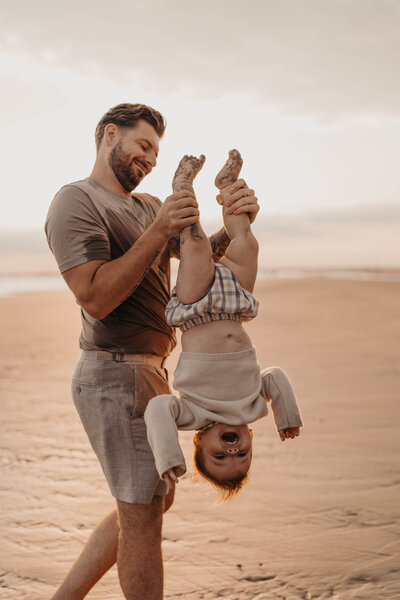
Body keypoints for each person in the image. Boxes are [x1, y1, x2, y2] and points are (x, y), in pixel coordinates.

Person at [44, 103, 260, 600]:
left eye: (157, 152)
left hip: (154, 371)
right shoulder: (76, 201)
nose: (151, 160)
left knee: (148, 504)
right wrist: (160, 230)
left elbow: (204, 260)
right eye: (143, 146)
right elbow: (96, 297)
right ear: (108, 134)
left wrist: (238, 222)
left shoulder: (145, 206)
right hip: (113, 371)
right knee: (141, 513)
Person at [144, 150, 303, 501]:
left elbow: (158, 409)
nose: (232, 451)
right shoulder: (254, 408)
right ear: (250, 441)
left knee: (196, 244)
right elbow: (274, 377)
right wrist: (285, 415)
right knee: (246, 241)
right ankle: (227, 186)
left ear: (199, 441)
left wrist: (169, 455)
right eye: (242, 455)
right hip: (234, 304)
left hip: (196, 306)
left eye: (219, 457)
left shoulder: (193, 416)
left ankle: (182, 186)